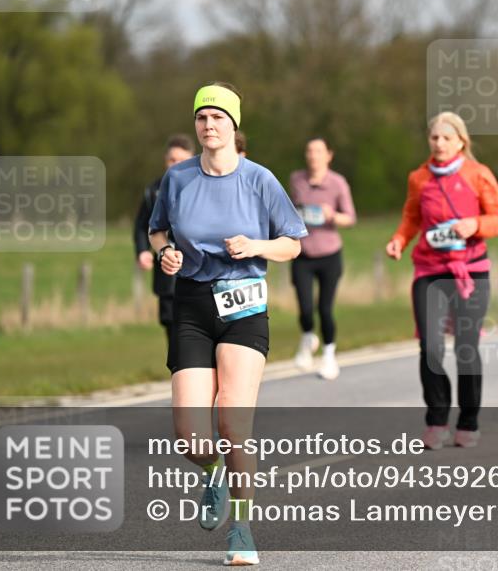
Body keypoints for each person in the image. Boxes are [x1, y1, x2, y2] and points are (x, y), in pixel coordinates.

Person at [148, 82, 307, 566]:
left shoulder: (260, 179)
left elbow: (293, 243)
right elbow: (157, 231)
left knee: (232, 422)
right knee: (189, 436)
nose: (209, 125)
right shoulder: (177, 178)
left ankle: (242, 529)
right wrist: (167, 254)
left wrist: (256, 246)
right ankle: (214, 469)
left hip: (244, 306)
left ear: (234, 125)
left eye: (218, 117)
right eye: (202, 117)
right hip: (193, 305)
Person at [385, 112, 498, 450]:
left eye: (446, 138)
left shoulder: (478, 174)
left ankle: (468, 421)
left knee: (466, 347)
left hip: (470, 270)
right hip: (429, 270)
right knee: (431, 348)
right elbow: (411, 217)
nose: (439, 143)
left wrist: (475, 225)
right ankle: (437, 421)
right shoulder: (419, 178)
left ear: (461, 142)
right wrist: (399, 240)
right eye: (434, 138)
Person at [289, 137, 356, 380]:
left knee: (324, 309)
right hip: (302, 254)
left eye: (318, 151)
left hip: (329, 254)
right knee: (305, 308)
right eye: (309, 151)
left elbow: (350, 218)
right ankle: (308, 337)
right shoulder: (296, 180)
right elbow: (290, 210)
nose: (313, 155)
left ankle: (329, 356)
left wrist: (332, 215)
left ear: (329, 155)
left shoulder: (337, 183)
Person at [133, 135, 194, 368]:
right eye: (171, 160)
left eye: (182, 160)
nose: (176, 165)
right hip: (166, 270)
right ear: (165, 160)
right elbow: (142, 226)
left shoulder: (203, 187)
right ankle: (179, 371)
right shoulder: (153, 191)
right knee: (171, 323)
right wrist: (143, 251)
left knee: (193, 324)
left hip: (196, 271)